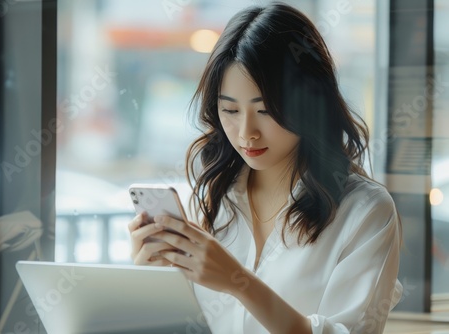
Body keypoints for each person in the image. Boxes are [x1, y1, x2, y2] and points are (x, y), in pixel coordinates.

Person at [128, 2, 402, 333]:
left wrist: (239, 281)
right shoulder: (215, 202)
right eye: (230, 110)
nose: (246, 133)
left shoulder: (365, 211)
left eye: (266, 110)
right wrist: (148, 280)